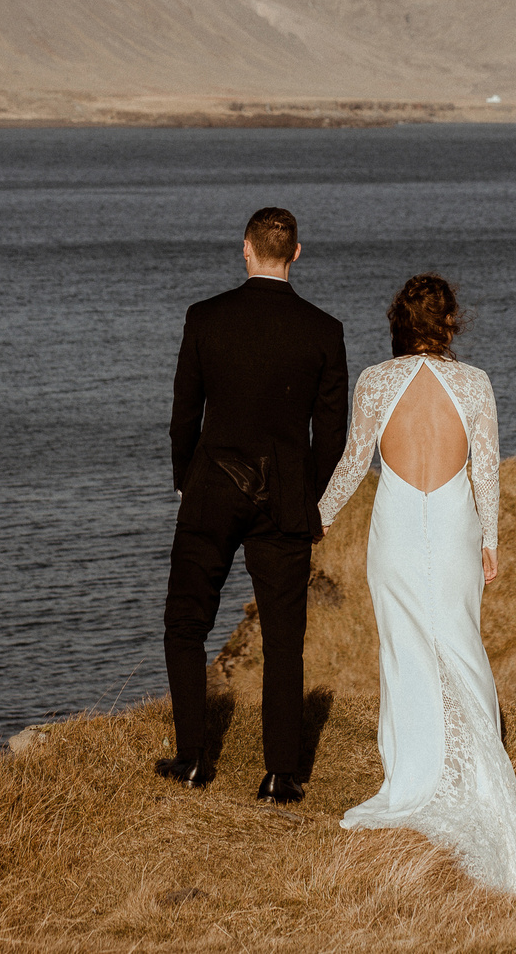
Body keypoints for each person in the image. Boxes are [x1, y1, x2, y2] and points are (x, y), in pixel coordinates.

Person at [315, 274, 516, 895]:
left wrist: (320, 516)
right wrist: (491, 539)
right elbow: (485, 466)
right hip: (454, 523)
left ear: (397, 321)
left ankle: (414, 774)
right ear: (449, 323)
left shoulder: (374, 381)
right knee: (460, 641)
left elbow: (353, 462)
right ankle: (477, 764)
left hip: (395, 527)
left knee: (404, 649)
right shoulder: (474, 384)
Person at [157, 206, 349, 802]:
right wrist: (310, 498)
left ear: (246, 250)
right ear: (296, 252)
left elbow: (184, 411)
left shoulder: (205, 318)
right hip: (287, 499)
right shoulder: (325, 330)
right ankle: (280, 774)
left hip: (211, 488)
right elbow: (333, 435)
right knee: (284, 637)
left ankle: (192, 758)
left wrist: (187, 478)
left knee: (186, 622)